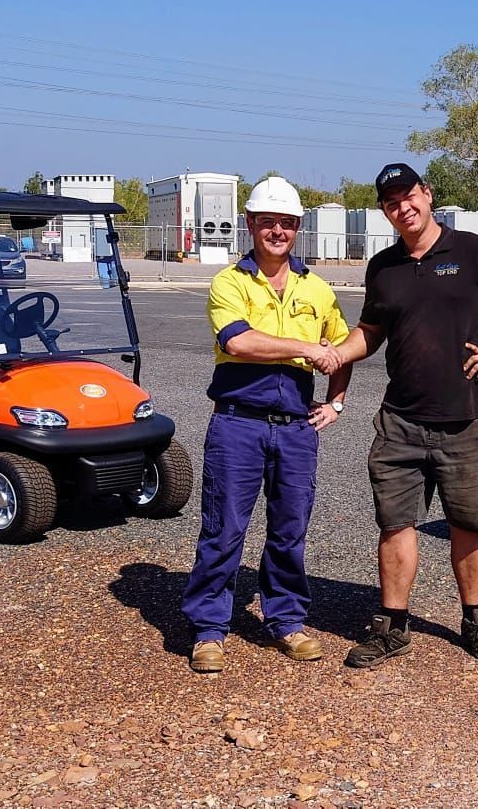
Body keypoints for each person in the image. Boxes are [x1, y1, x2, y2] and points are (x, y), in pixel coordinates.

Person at [332, 162, 478, 667]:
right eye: (390, 203)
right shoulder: (382, 267)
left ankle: (474, 618)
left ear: (427, 195)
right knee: (395, 524)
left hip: (467, 418)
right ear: (384, 211)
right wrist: (335, 354)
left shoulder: (472, 251)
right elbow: (370, 332)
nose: (402, 208)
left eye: (409, 196)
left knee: (469, 525)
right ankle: (392, 625)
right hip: (400, 420)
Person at [182, 176, 352, 673]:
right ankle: (210, 629)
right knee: (224, 529)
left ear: (298, 228)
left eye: (286, 223)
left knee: (289, 530)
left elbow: (341, 349)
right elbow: (238, 342)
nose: (277, 230)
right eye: (267, 222)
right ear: (251, 225)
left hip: (296, 428)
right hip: (238, 424)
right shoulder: (230, 283)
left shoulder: (317, 289)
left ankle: (287, 621)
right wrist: (306, 349)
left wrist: (336, 402)